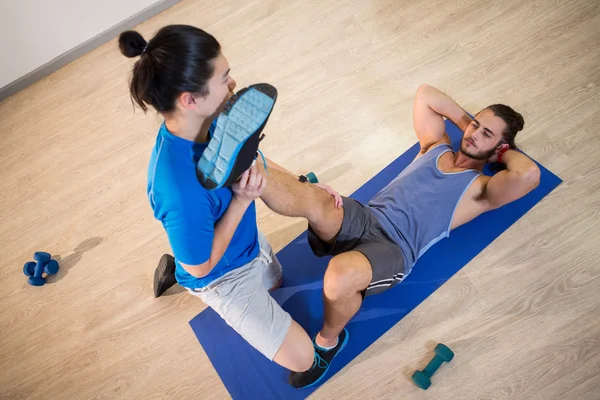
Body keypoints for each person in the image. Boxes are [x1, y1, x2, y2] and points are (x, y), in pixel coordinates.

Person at [255, 83, 541, 388]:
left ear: (500, 147)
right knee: (314, 197)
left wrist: (504, 153)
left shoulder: (481, 190)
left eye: (487, 134)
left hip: (393, 250)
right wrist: (467, 125)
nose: (473, 134)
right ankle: (247, 165)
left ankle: (328, 342)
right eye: (475, 124)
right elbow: (425, 94)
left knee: (339, 275)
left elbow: (528, 175)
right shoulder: (436, 145)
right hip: (364, 218)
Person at [118, 24, 324, 374]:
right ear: (189, 99)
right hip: (221, 277)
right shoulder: (178, 189)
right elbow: (203, 267)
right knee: (304, 359)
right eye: (224, 77)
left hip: (246, 239)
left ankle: (183, 252)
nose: (233, 84)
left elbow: (250, 154)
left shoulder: (210, 118)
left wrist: (304, 184)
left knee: (277, 281)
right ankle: (180, 264)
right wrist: (242, 201)